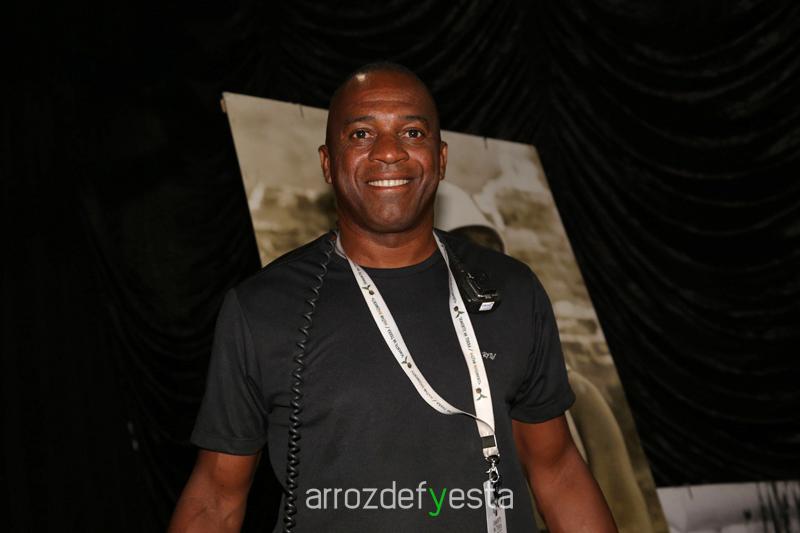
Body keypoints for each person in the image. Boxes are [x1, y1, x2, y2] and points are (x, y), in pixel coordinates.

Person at [169, 62, 618, 533]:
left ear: (441, 158)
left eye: (412, 132)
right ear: (327, 163)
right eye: (361, 134)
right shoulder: (263, 308)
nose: (388, 152)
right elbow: (215, 499)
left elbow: (558, 472)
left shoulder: (511, 290)